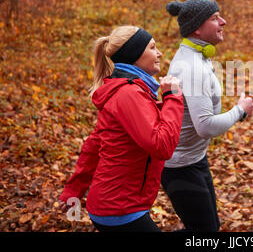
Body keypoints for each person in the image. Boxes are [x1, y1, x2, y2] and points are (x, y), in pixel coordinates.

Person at [59, 26, 184, 232]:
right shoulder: (129, 93)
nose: (159, 53)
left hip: (115, 205)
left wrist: (74, 190)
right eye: (153, 47)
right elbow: (162, 146)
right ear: (135, 55)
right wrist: (172, 98)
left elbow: (94, 146)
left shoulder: (130, 90)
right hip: (120, 209)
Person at [163, 0, 253, 231]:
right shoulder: (192, 67)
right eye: (215, 18)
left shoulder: (197, 55)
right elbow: (206, 127)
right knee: (205, 232)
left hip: (194, 159)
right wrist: (240, 111)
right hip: (180, 166)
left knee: (209, 227)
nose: (223, 22)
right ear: (196, 28)